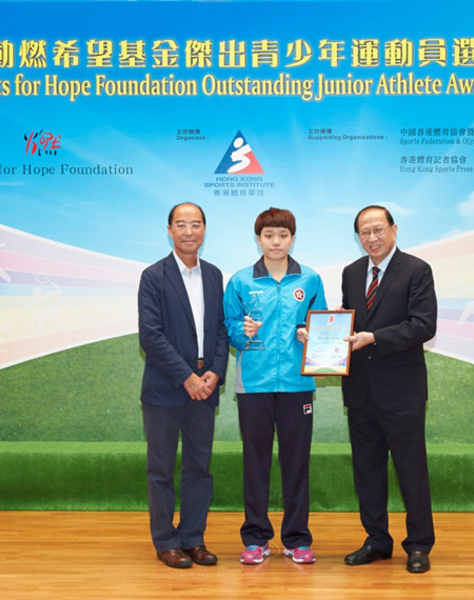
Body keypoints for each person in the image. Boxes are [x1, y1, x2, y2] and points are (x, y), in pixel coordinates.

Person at [223, 207, 327, 565]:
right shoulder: (240, 281)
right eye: (269, 236)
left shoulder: (310, 280)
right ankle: (255, 538)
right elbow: (229, 327)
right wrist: (242, 331)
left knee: (296, 462)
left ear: (292, 238)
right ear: (258, 240)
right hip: (254, 384)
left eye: (283, 235)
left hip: (298, 385)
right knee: (255, 462)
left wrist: (311, 336)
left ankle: (297, 539)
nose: (276, 242)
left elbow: (324, 328)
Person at [340, 205, 437, 573]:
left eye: (378, 229)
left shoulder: (416, 270)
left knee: (411, 470)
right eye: (365, 232)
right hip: (361, 390)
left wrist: (375, 338)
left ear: (394, 230)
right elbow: (350, 319)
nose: (372, 238)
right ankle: (377, 540)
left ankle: (418, 545)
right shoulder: (351, 273)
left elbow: (423, 325)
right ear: (358, 237)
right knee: (367, 470)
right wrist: (329, 331)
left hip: (402, 390)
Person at [137, 202, 229, 569]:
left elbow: (221, 329)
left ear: (205, 229)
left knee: (198, 468)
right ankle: (165, 541)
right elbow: (151, 336)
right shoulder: (153, 276)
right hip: (165, 390)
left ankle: (193, 538)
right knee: (161, 469)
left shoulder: (213, 275)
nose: (189, 231)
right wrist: (187, 376)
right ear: (170, 230)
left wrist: (215, 373)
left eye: (196, 224)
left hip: (204, 390)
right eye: (181, 224)